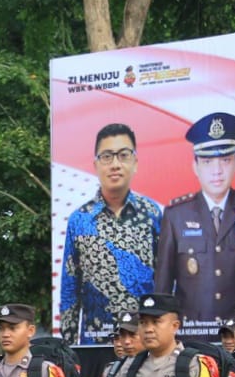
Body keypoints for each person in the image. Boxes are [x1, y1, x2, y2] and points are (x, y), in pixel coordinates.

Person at [155, 112, 235, 329]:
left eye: (225, 160)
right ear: (195, 166)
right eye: (207, 162)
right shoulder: (176, 215)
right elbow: (163, 285)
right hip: (193, 332)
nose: (217, 171)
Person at [58, 123, 162, 344]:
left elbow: (165, 282)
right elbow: (70, 288)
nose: (115, 164)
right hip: (96, 342)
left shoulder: (152, 214)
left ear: (135, 162)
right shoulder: (80, 220)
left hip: (144, 343)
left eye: (123, 155)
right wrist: (67, 349)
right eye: (107, 156)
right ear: (95, 164)